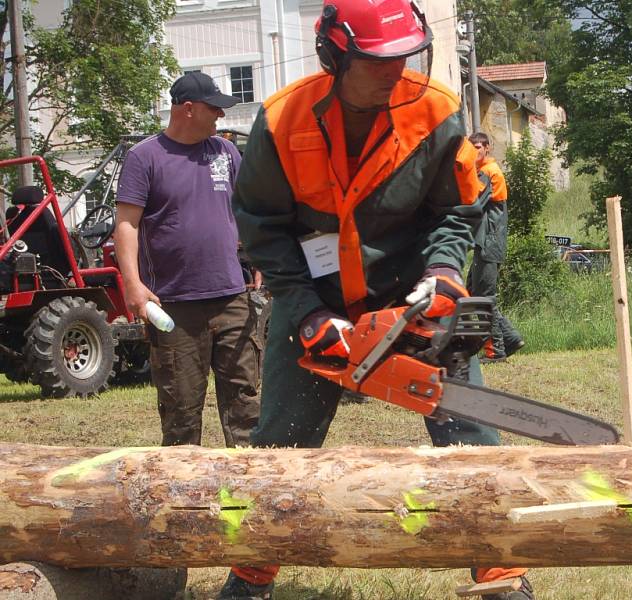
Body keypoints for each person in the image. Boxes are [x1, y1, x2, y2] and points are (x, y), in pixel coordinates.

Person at [221, 1, 532, 599]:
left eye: (403, 57)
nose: (395, 71)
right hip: (315, 296)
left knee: (469, 433)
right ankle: (250, 574)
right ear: (335, 56)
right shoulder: (283, 120)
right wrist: (308, 313)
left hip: (410, 293)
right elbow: (262, 227)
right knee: (281, 442)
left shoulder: (435, 111)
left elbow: (458, 210)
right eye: (378, 60)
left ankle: (501, 572)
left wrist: (443, 274)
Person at [114, 71, 262, 448]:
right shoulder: (144, 157)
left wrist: (260, 255)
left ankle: (252, 494)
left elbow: (247, 211)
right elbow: (127, 224)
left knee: (246, 408)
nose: (221, 116)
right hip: (174, 306)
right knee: (180, 414)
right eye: (215, 108)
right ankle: (182, 505)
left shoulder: (225, 152)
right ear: (188, 109)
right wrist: (132, 284)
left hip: (232, 298)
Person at [467, 132, 525, 363]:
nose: (475, 150)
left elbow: (472, 204)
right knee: (474, 291)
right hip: (486, 243)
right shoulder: (484, 170)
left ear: (488, 148)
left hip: (489, 243)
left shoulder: (488, 172)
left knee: (482, 298)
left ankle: (495, 350)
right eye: (471, 146)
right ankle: (509, 339)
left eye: (479, 146)